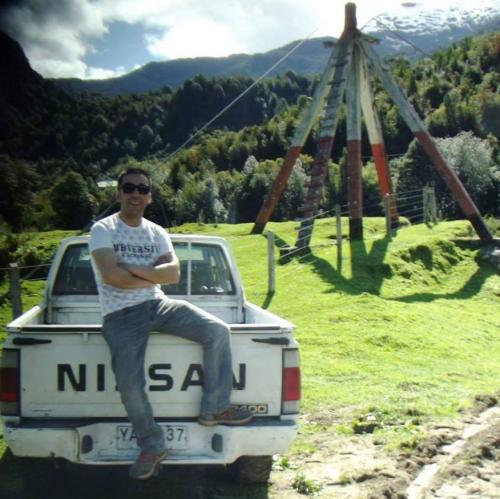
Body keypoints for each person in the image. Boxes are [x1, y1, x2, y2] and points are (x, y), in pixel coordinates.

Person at [89, 167, 252, 480]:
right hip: (120, 314)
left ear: (149, 196)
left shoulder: (156, 232)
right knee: (129, 384)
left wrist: (132, 269)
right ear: (119, 193)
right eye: (129, 187)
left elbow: (173, 275)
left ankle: (214, 408)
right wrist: (152, 274)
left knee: (217, 330)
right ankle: (152, 445)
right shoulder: (103, 229)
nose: (135, 194)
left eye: (142, 189)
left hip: (158, 304)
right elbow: (111, 276)